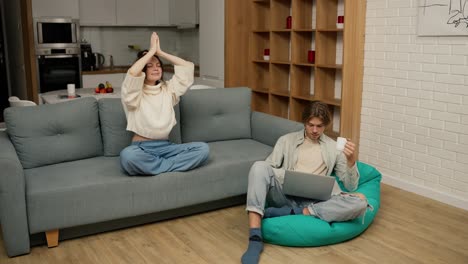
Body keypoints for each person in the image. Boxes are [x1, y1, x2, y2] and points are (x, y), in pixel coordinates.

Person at [241, 101, 370, 264]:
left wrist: (351, 161)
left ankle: (298, 212)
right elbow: (268, 169)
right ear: (304, 122)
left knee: (360, 202)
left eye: (320, 126)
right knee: (259, 166)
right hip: (285, 195)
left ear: (326, 126)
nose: (315, 130)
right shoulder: (286, 140)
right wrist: (287, 176)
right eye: (311, 125)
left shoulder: (333, 148)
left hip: (317, 200)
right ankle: (255, 238)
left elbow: (351, 186)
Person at [120, 32, 209, 176]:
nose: (156, 68)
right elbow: (132, 73)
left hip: (167, 148)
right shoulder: (133, 93)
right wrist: (150, 53)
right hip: (141, 148)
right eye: (149, 65)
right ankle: (172, 166)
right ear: (143, 69)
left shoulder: (168, 89)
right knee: (128, 156)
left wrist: (160, 52)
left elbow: (187, 67)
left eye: (158, 65)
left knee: (203, 149)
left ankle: (156, 166)